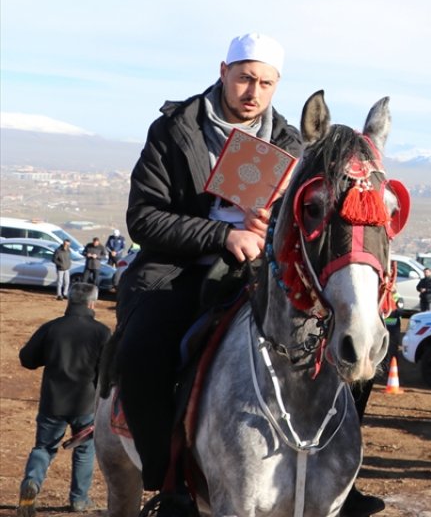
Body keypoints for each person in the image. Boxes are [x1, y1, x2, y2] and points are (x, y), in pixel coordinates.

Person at [109, 33, 336, 513]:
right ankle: (167, 481)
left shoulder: (290, 143)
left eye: (266, 83)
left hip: (262, 273)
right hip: (176, 270)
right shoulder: (176, 130)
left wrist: (271, 227)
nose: (253, 91)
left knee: (339, 347)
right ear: (223, 72)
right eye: (245, 78)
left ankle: (338, 474)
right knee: (142, 350)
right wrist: (222, 236)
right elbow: (143, 217)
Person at [18, 281, 112, 516]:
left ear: (70, 300)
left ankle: (32, 484)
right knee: (84, 450)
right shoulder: (102, 332)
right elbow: (106, 373)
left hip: (52, 401)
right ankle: (79, 500)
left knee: (43, 448)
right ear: (93, 303)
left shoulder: (52, 327)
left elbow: (27, 359)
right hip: (85, 403)